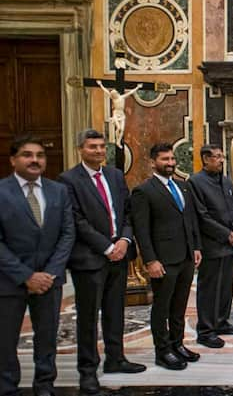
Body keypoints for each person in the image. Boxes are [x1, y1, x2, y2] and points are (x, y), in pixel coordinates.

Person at [58, 129, 145, 395]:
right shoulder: (68, 180)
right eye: (92, 146)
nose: (98, 151)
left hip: (119, 255)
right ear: (80, 149)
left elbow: (128, 212)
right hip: (89, 259)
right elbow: (76, 220)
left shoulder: (115, 175)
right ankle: (87, 371)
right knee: (87, 318)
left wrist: (125, 241)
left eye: (101, 146)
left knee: (115, 311)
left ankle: (116, 359)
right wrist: (107, 246)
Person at [0, 135, 74, 396]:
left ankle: (45, 385)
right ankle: (7, 388)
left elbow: (67, 234)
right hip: (9, 282)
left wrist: (50, 273)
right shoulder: (1, 192)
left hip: (50, 282)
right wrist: (27, 276)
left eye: (40, 155)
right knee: (5, 341)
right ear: (13, 160)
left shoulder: (59, 190)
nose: (34, 160)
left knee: (47, 339)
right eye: (27, 155)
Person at [131, 143, 202, 370]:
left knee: (179, 306)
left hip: (186, 257)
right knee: (162, 308)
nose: (170, 163)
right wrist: (150, 260)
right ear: (153, 162)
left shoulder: (183, 187)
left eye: (172, 159)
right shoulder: (144, 191)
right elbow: (141, 230)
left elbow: (190, 220)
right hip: (163, 260)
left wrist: (196, 247)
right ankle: (162, 352)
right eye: (165, 159)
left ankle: (177, 344)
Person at [187, 145, 233, 349]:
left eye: (222, 156)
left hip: (230, 243)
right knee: (209, 289)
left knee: (226, 286)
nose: (221, 160)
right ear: (205, 159)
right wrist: (226, 234)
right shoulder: (195, 182)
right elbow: (201, 215)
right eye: (217, 157)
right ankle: (206, 330)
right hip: (212, 244)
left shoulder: (226, 180)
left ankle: (221, 322)